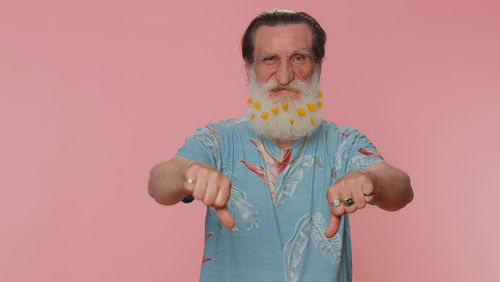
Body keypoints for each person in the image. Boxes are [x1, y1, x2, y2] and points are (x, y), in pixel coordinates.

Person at [148, 8, 413, 282]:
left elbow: (401, 189)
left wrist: (369, 180)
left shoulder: (342, 143)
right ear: (250, 67)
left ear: (317, 67)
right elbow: (158, 185)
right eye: (270, 59)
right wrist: (188, 174)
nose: (285, 76)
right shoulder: (218, 139)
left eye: (299, 58)